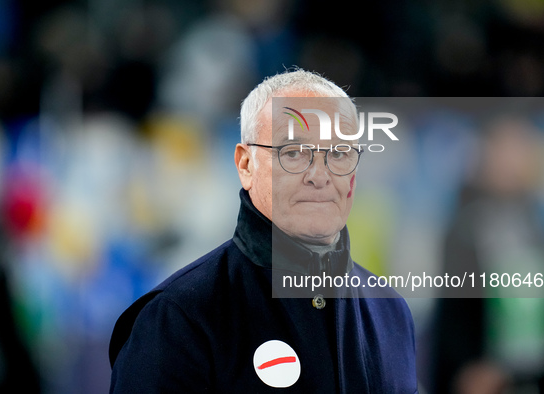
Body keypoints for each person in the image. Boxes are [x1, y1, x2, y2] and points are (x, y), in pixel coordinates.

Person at [109, 69, 418, 393]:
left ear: (352, 177)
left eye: (339, 153)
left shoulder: (392, 313)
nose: (319, 175)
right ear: (245, 165)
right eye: (294, 153)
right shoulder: (178, 318)